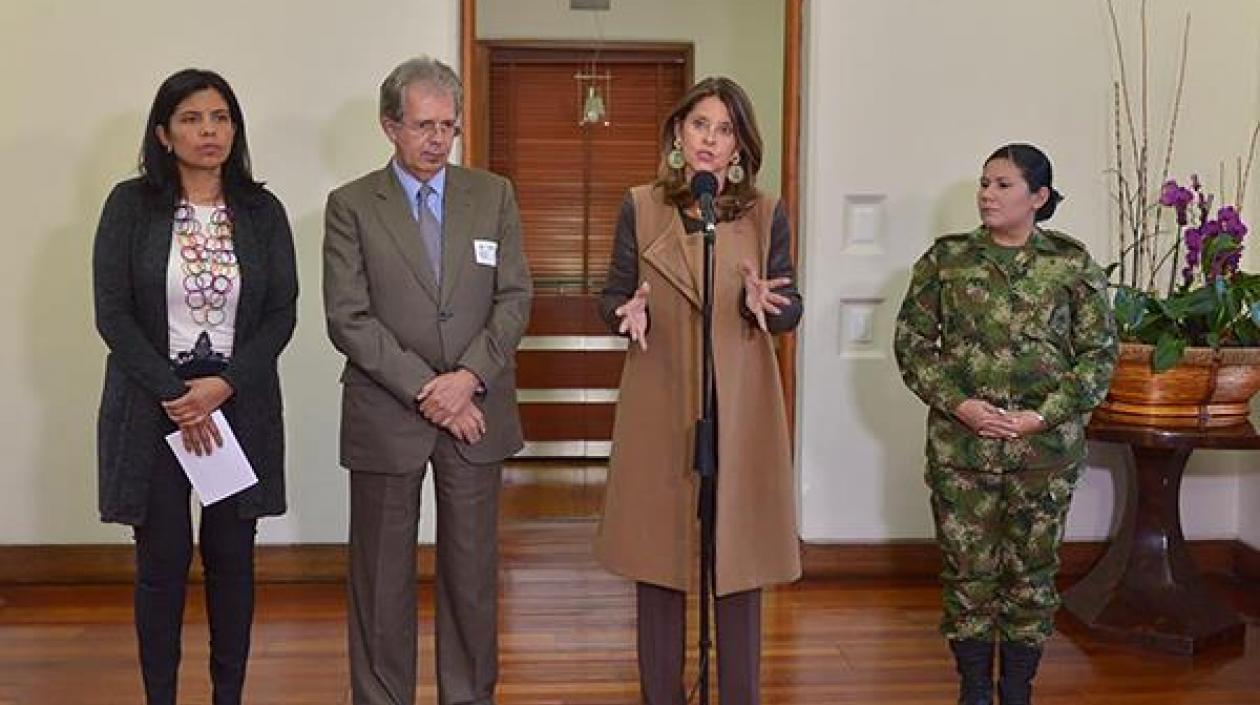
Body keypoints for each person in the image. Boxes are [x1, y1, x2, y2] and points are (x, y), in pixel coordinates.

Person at [322, 56, 532, 705]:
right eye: (422, 125)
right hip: (389, 415)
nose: (437, 139)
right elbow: (347, 317)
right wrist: (433, 390)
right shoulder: (351, 205)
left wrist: (467, 376)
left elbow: (515, 297)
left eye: (448, 125)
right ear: (390, 125)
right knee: (382, 579)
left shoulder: (492, 194)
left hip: (477, 410)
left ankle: (468, 695)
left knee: (471, 577)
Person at [92, 68, 298, 705]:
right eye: (191, 119)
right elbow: (113, 312)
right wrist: (177, 394)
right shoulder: (130, 205)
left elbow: (281, 312)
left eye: (220, 118)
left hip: (237, 401)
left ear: (234, 129)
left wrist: (223, 387)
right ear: (162, 133)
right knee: (162, 561)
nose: (208, 131)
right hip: (153, 403)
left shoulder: (262, 210)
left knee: (233, 561)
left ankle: (227, 695)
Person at [594, 76, 802, 705]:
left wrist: (771, 304)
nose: (710, 140)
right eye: (699, 126)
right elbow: (613, 296)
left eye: (724, 130)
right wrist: (623, 314)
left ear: (739, 146)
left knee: (738, 560)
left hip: (739, 407)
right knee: (659, 557)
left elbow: (789, 307)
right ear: (678, 135)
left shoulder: (764, 212)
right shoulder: (640, 205)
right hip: (661, 400)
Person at [893, 143, 1117, 705]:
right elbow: (913, 346)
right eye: (984, 183)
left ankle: (1017, 690)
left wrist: (1042, 415)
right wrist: (959, 405)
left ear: (1038, 198)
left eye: (1003, 185)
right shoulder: (945, 261)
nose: (987, 194)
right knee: (966, 577)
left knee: (1032, 579)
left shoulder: (1071, 264)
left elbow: (1098, 356)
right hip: (962, 451)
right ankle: (973, 689)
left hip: (1043, 456)